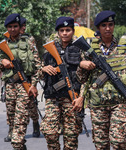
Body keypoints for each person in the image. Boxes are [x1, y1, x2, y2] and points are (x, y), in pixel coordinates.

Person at [77, 10, 126, 150]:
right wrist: (82, 66)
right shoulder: (89, 48)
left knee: (119, 142)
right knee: (101, 145)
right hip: (98, 103)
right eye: (104, 25)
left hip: (119, 102)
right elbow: (83, 79)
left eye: (110, 24)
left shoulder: (125, 46)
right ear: (98, 28)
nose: (108, 28)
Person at [0, 13, 42, 150]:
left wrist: (33, 85)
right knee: (11, 117)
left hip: (25, 86)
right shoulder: (3, 44)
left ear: (20, 26)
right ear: (6, 28)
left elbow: (38, 66)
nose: (12, 29)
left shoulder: (29, 42)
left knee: (20, 121)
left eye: (15, 26)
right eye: (10, 27)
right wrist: (1, 62)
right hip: (10, 85)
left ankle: (19, 140)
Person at [40, 16, 83, 150]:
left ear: (73, 31)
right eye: (62, 30)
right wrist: (43, 69)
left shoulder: (80, 49)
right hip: (53, 98)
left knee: (71, 135)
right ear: (58, 32)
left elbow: (87, 78)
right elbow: (38, 75)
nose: (65, 33)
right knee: (50, 133)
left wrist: (81, 97)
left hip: (72, 98)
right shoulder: (49, 51)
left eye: (68, 30)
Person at [19, 16, 41, 138]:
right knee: (11, 106)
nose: (23, 28)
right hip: (14, 78)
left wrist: (34, 81)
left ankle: (35, 122)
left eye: (24, 26)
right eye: (21, 26)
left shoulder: (29, 39)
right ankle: (12, 130)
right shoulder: (9, 40)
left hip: (28, 76)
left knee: (31, 104)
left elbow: (36, 58)